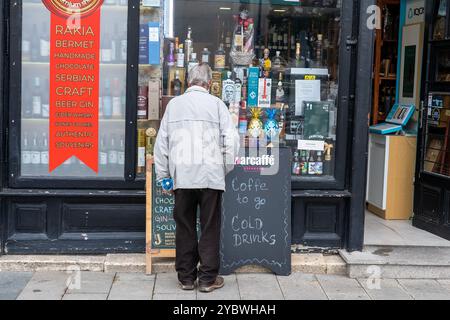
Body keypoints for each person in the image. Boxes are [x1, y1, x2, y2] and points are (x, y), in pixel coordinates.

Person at [154, 63, 240, 293]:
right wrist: (223, 169)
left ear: (188, 81)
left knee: (184, 226)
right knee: (210, 226)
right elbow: (231, 142)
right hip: (211, 177)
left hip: (182, 176)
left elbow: (161, 144)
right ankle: (207, 279)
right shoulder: (217, 105)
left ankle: (186, 278)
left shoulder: (174, 105)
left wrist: (164, 177)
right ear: (209, 84)